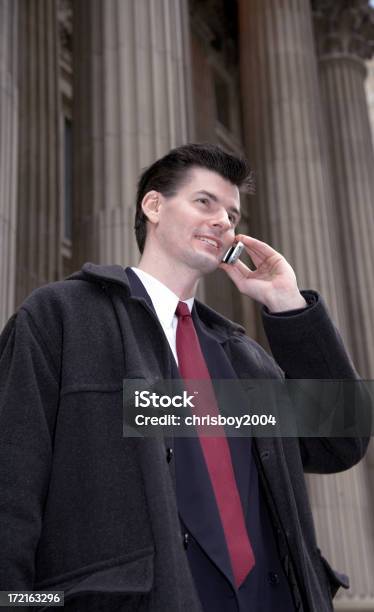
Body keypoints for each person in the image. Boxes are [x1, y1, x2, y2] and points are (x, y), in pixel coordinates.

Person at [0, 143, 369, 612]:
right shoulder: (64, 318)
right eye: (204, 202)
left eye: (232, 215)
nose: (224, 221)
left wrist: (288, 304)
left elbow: (341, 440)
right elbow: (11, 486)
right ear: (153, 206)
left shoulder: (243, 360)